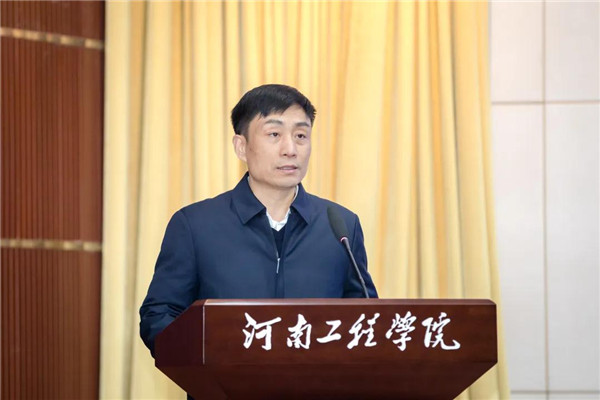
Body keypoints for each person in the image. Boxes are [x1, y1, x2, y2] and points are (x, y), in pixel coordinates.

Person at [140, 84, 378, 356]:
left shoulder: (341, 226)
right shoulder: (195, 225)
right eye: (274, 134)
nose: (290, 149)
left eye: (301, 135)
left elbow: (368, 321)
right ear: (241, 147)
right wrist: (208, 361)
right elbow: (160, 316)